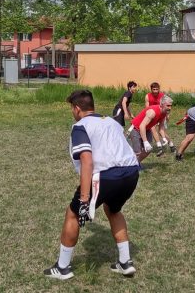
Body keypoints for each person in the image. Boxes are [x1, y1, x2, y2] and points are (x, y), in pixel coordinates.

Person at [44, 90, 141, 280]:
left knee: (72, 213)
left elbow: (87, 160)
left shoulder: (80, 126)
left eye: (72, 109)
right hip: (131, 172)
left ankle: (63, 268)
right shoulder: (112, 122)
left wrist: (84, 199)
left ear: (77, 108)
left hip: (106, 176)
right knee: (113, 210)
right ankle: (125, 262)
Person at [129, 95, 174, 162]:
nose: (170, 108)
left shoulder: (164, 113)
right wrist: (145, 141)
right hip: (136, 129)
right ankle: (130, 166)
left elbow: (161, 127)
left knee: (148, 150)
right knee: (137, 152)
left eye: (171, 106)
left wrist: (164, 138)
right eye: (168, 105)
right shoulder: (152, 112)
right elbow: (142, 126)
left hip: (146, 129)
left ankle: (137, 163)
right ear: (161, 105)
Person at [144, 82, 167, 151]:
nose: (155, 91)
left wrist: (167, 115)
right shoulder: (147, 96)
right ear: (151, 89)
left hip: (161, 114)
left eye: (157, 89)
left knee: (162, 130)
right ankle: (159, 145)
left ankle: (170, 143)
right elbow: (147, 108)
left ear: (159, 89)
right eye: (154, 89)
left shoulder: (162, 96)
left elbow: (166, 106)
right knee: (152, 128)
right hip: (152, 115)